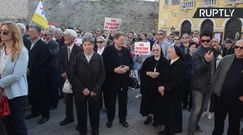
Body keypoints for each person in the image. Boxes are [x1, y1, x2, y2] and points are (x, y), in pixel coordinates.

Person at [69, 36, 105, 135]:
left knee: (94, 113)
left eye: (89, 44)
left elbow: (102, 75)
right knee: (81, 113)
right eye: (85, 44)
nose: (87, 47)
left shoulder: (99, 57)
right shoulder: (77, 57)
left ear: (93, 45)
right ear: (82, 45)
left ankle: (95, 129)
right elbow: (73, 75)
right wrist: (82, 89)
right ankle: (82, 130)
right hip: (81, 92)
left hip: (94, 92)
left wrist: (96, 90)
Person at [0, 21, 29, 135]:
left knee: (18, 125)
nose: (2, 34)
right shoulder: (2, 50)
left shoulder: (22, 51)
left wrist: (0, 83)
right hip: (3, 94)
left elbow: (18, 75)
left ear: (14, 34)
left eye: (5, 32)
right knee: (7, 125)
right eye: (1, 31)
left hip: (16, 94)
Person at [212, 40, 243, 135]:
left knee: (234, 125)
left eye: (241, 48)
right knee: (218, 123)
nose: (238, 49)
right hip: (221, 96)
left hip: (238, 100)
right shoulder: (226, 59)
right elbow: (216, 76)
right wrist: (215, 90)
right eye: (236, 47)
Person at [102, 32, 133, 128]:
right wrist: (114, 69)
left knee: (123, 101)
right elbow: (103, 65)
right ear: (115, 40)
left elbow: (131, 63)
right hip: (111, 81)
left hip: (123, 81)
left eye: (124, 40)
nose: (123, 42)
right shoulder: (107, 50)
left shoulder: (126, 50)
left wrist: (127, 68)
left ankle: (123, 119)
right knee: (111, 101)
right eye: (121, 40)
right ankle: (110, 119)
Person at [187, 30, 216, 135]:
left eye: (207, 40)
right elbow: (197, 70)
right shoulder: (196, 53)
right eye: (203, 40)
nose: (205, 42)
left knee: (203, 109)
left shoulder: (212, 50)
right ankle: (190, 131)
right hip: (198, 86)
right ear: (200, 40)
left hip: (208, 86)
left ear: (211, 40)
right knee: (196, 110)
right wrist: (206, 61)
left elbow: (213, 69)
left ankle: (196, 126)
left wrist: (213, 82)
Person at [158, 45, 186, 135]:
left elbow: (179, 81)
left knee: (174, 111)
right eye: (168, 52)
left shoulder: (182, 64)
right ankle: (167, 128)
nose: (168, 54)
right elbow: (162, 75)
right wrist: (160, 86)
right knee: (166, 110)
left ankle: (173, 129)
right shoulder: (168, 62)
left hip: (175, 92)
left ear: (176, 53)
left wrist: (165, 87)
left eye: (170, 52)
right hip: (166, 91)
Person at [25, 25, 50, 125]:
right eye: (29, 31)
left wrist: (31, 69)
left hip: (39, 76)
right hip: (29, 75)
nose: (29, 33)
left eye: (32, 32)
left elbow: (43, 61)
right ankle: (34, 112)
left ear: (38, 33)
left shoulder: (42, 45)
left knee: (42, 96)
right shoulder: (27, 43)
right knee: (31, 95)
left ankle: (45, 115)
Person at [58, 29, 82, 126]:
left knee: (78, 102)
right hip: (66, 79)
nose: (65, 37)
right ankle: (69, 117)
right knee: (67, 100)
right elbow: (59, 62)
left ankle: (80, 122)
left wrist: (69, 74)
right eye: (65, 36)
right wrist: (62, 72)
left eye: (67, 36)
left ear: (72, 38)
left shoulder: (79, 49)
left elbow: (80, 66)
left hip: (76, 79)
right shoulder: (63, 48)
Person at [140, 44, 167, 126]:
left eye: (157, 50)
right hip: (148, 86)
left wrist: (159, 74)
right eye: (153, 50)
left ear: (160, 51)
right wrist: (148, 73)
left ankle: (156, 118)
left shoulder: (164, 61)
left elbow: (167, 74)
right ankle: (149, 116)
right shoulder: (148, 60)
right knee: (148, 102)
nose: (155, 51)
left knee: (158, 103)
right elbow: (142, 72)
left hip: (158, 86)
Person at [42, 29, 60, 109]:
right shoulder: (42, 43)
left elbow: (52, 54)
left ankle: (54, 103)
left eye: (46, 35)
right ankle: (48, 101)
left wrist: (45, 47)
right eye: (43, 35)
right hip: (45, 69)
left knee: (53, 87)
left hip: (53, 69)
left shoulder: (55, 44)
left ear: (51, 35)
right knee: (47, 87)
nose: (44, 37)